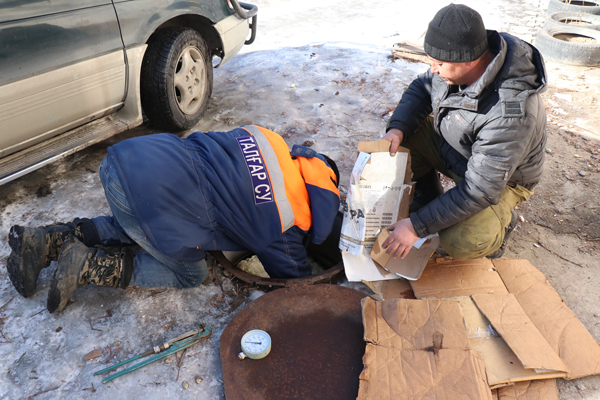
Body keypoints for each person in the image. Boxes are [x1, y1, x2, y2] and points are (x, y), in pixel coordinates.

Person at [7, 125, 341, 313]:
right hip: (146, 200)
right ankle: (87, 265)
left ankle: (46, 240)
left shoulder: (270, 141)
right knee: (191, 273)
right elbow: (294, 279)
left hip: (127, 159)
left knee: (146, 222)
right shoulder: (285, 221)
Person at [382, 4, 547, 260]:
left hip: (503, 179)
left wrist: (417, 226)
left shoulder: (509, 112)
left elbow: (480, 189)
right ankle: (429, 197)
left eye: (438, 63)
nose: (433, 69)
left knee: (462, 240)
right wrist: (397, 129)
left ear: (467, 60)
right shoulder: (456, 59)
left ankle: (502, 225)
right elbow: (423, 86)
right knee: (403, 141)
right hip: (462, 149)